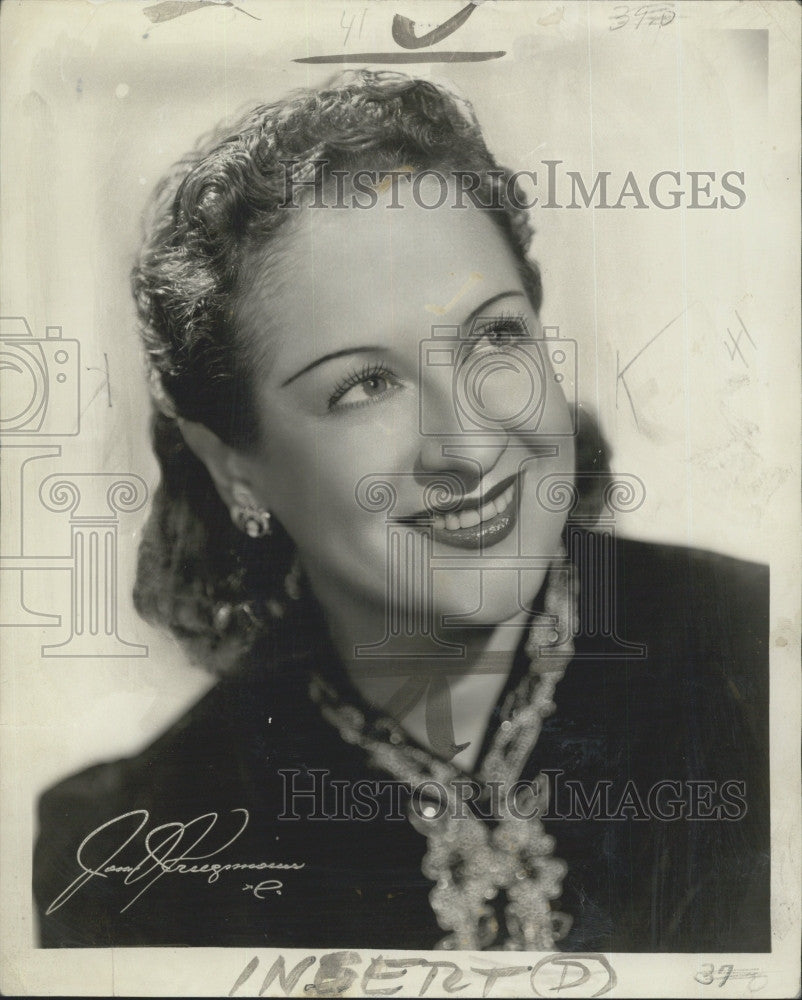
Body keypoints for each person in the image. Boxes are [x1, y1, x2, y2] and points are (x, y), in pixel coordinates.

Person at [33, 70, 769, 952]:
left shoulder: (761, 666)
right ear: (231, 463)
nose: (466, 442)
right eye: (365, 385)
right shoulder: (130, 861)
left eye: (495, 335)